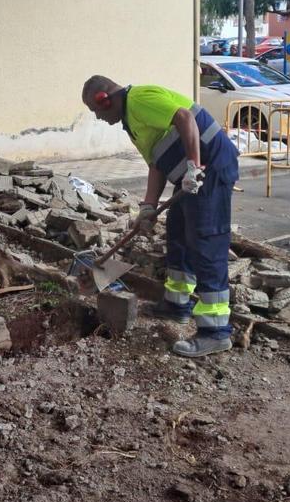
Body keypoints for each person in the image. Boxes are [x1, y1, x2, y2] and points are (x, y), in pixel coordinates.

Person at [81, 75, 239, 357]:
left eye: (96, 111)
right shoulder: (132, 121)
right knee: (178, 233)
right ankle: (177, 305)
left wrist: (193, 167)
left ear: (104, 100)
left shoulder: (140, 100)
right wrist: (148, 207)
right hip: (189, 177)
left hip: (210, 169)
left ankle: (215, 332)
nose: (98, 118)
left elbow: (185, 118)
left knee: (206, 242)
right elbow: (157, 163)